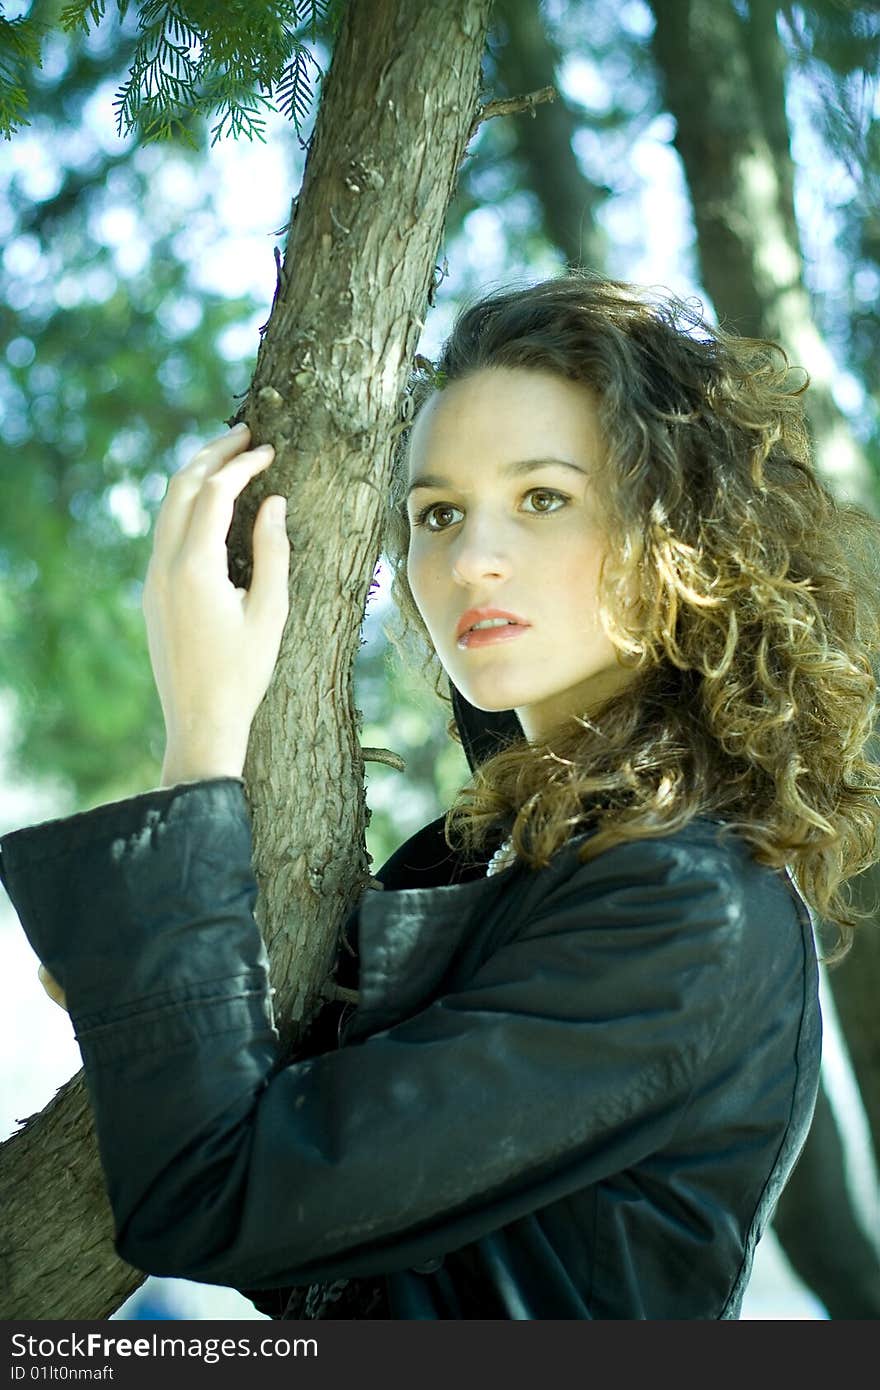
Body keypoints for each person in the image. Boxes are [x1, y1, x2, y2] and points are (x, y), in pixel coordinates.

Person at [3, 271, 880, 1320]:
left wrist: (202, 736)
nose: (470, 560)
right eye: (437, 512)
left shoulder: (687, 899)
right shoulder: (484, 854)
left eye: (543, 498)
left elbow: (217, 1196)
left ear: (678, 533)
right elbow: (298, 1211)